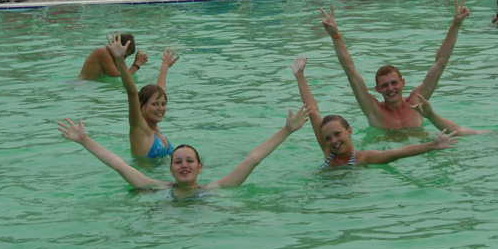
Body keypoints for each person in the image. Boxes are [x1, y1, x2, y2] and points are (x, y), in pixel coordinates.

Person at [57, 106, 310, 199]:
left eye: (190, 161)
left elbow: (252, 159)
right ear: (171, 169)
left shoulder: (214, 189)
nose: (184, 165)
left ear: (200, 167)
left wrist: (286, 130)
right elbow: (119, 165)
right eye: (178, 162)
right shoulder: (157, 188)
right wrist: (85, 140)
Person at [320, 0, 469, 130]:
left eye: (394, 83)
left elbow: (440, 64)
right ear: (378, 89)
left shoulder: (417, 101)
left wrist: (455, 25)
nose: (390, 88)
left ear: (403, 83)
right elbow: (351, 72)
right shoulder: (373, 109)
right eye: (384, 85)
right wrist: (336, 36)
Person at [290, 57, 459, 169]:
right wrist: (300, 77)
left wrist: (431, 145)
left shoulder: (364, 157)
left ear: (349, 131)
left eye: (337, 134)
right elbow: (312, 111)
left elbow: (397, 153)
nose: (333, 141)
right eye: (328, 138)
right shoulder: (328, 152)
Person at [105, 32, 178, 158]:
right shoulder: (139, 127)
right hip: (142, 172)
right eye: (155, 104)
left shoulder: (154, 127)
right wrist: (120, 60)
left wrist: (164, 66)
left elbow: (160, 91)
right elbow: (132, 92)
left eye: (163, 104)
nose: (160, 108)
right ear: (140, 105)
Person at [78, 33, 147, 80]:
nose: (123, 59)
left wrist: (136, 62)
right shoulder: (102, 52)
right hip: (83, 84)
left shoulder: (112, 56)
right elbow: (117, 75)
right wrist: (137, 64)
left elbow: (123, 73)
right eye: (124, 56)